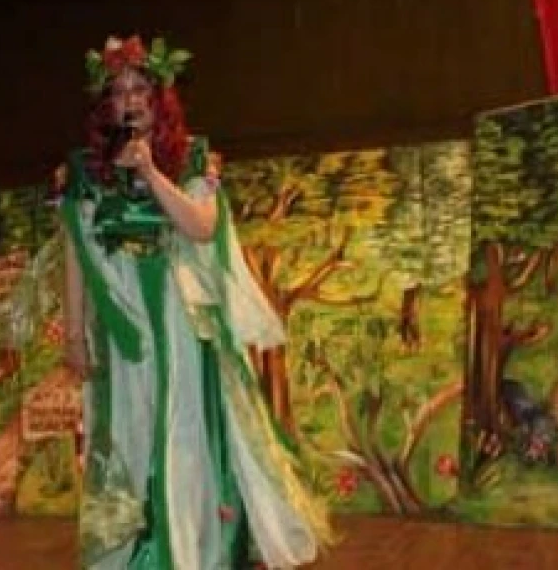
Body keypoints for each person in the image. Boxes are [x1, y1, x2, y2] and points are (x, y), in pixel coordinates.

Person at [28, 34, 336, 569]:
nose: (130, 101)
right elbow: (77, 251)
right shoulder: (84, 171)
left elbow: (201, 226)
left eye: (139, 90)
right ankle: (135, 548)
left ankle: (191, 548)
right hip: (121, 314)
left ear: (158, 98)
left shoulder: (190, 157)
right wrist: (74, 334)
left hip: (176, 310)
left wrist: (149, 171)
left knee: (181, 422)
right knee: (130, 426)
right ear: (106, 105)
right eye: (119, 91)